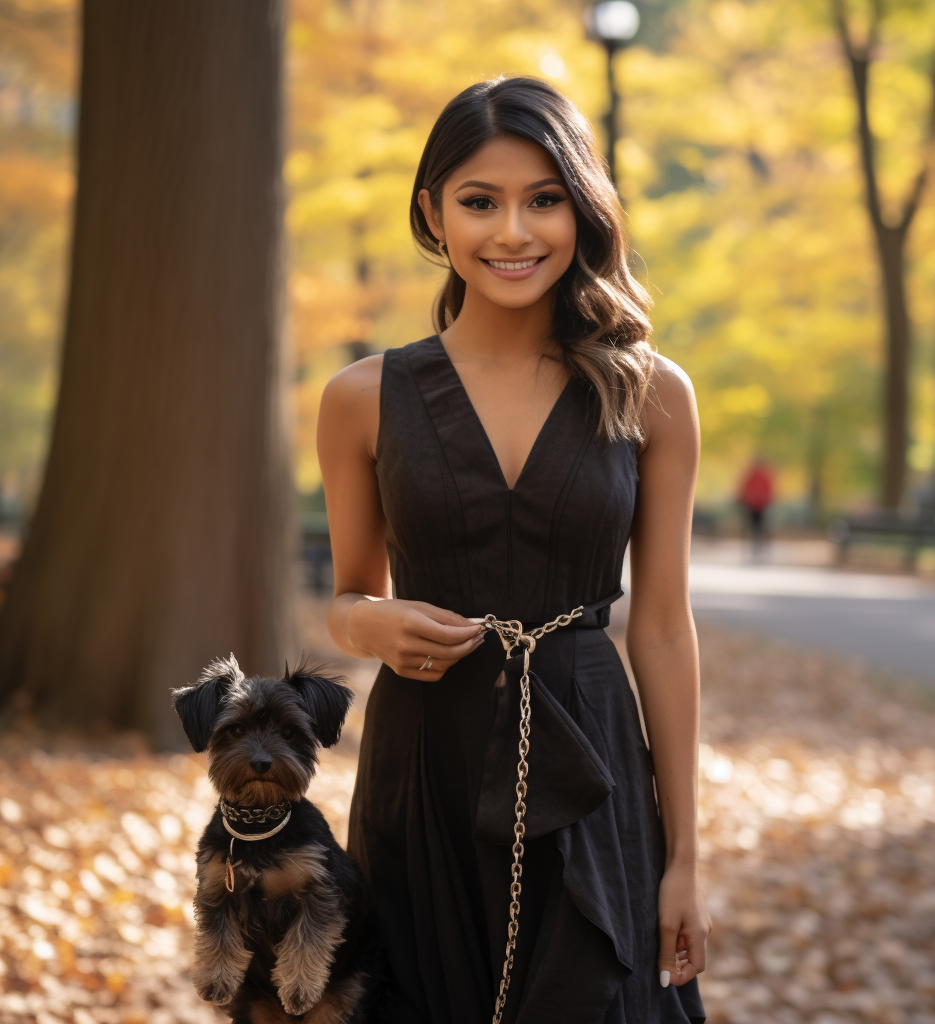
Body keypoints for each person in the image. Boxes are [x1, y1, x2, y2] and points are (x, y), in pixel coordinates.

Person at [318, 77, 708, 1024]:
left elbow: (660, 627)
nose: (513, 232)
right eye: (479, 201)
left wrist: (686, 857)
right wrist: (374, 625)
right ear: (432, 214)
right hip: (423, 764)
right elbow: (346, 599)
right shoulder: (362, 397)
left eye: (545, 199)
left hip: (594, 759)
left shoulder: (650, 393)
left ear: (583, 207)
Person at [737, 457, 774, 556]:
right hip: (752, 505)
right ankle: (755, 544)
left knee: (760, 525)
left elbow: (768, 490)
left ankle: (760, 545)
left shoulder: (762, 477)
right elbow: (745, 488)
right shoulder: (752, 476)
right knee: (753, 525)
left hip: (760, 505)